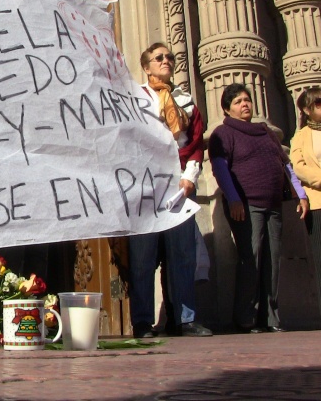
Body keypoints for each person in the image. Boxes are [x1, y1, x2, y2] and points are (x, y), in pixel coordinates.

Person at [128, 42, 212, 338]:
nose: (166, 61)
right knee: (142, 257)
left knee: (182, 254)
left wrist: (190, 177)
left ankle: (184, 319)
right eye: (158, 57)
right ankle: (142, 321)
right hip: (145, 187)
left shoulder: (185, 100)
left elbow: (195, 142)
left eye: (169, 57)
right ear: (146, 66)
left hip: (178, 186)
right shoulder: (134, 98)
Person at [209, 83, 308, 333]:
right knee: (251, 259)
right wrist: (233, 199)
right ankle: (246, 318)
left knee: (272, 260)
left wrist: (301, 193)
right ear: (227, 109)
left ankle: (271, 318)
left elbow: (286, 165)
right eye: (238, 102)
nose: (245, 104)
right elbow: (220, 168)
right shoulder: (223, 133)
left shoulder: (266, 132)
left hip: (273, 204)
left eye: (247, 100)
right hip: (245, 206)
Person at [290, 87, 321, 326]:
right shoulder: (301, 136)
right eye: (318, 103)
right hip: (318, 202)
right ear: (306, 109)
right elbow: (298, 167)